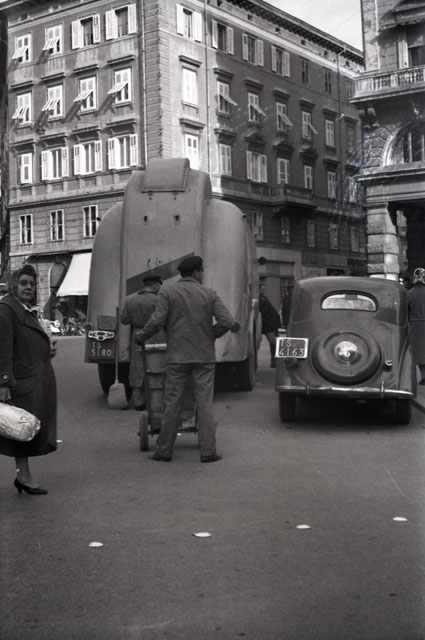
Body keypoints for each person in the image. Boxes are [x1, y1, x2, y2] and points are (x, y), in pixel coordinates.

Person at [135, 255, 240, 463]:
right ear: (197, 272)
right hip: (204, 358)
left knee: (172, 403)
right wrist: (211, 334)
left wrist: (141, 336)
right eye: (202, 271)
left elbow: (157, 321)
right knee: (204, 405)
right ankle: (208, 452)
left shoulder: (168, 292)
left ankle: (164, 451)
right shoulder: (209, 294)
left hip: (177, 358)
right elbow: (227, 321)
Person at [0, 265, 57, 494]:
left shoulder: (24, 309)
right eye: (24, 283)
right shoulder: (6, 310)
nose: (29, 287)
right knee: (19, 429)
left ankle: (23, 476)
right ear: (14, 285)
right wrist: (4, 382)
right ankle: (23, 476)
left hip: (30, 380)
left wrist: (46, 350)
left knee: (21, 429)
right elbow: (3, 349)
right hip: (19, 382)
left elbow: (25, 342)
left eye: (32, 284)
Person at [120, 274, 163, 409]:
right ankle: (155, 400)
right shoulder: (160, 300)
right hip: (156, 335)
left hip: (137, 335)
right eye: (159, 285)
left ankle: (138, 400)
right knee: (155, 365)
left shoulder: (130, 300)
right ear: (155, 285)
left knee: (137, 367)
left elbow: (124, 320)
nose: (159, 288)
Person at [407, 267, 425, 385]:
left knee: (418, 352)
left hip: (415, 325)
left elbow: (406, 311)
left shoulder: (409, 293)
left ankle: (422, 377)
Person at [259, 282, 282, 368]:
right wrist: (268, 322)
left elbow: (271, 311)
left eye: (264, 289)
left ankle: (274, 362)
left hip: (273, 325)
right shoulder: (260, 301)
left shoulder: (264, 299)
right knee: (274, 343)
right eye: (262, 289)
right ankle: (275, 362)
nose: (264, 291)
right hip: (268, 326)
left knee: (274, 345)